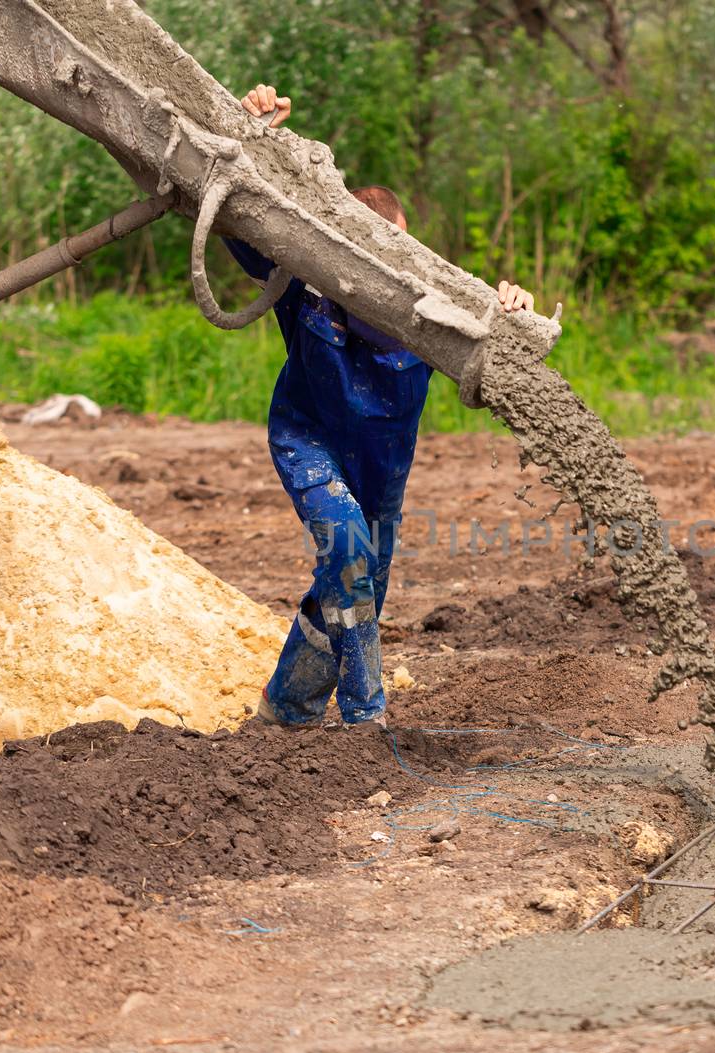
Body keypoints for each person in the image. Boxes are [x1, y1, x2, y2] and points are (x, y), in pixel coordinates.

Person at [226, 83, 535, 730]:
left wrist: (513, 312)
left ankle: (284, 713)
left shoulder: (432, 307)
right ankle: (367, 720)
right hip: (307, 440)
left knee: (354, 588)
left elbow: (499, 346)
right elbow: (234, 210)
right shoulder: (306, 281)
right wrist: (250, 128)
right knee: (347, 555)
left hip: (382, 476)